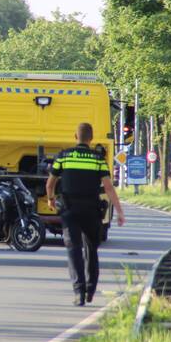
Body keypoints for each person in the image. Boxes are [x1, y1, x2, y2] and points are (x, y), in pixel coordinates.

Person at [46, 123, 126, 307]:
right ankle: (90, 290)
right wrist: (119, 211)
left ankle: (79, 293)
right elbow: (108, 187)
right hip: (91, 210)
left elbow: (50, 184)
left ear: (75, 136)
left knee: (73, 249)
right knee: (91, 250)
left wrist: (51, 200)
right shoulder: (98, 159)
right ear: (91, 138)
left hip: (70, 210)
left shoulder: (63, 156)